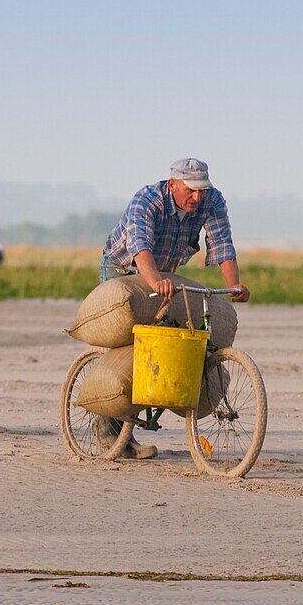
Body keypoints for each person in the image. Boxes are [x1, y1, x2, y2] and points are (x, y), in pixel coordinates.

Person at [98, 158, 250, 458]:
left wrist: (235, 285)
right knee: (128, 344)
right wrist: (153, 281)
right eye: (190, 191)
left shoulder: (212, 201)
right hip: (124, 267)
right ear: (173, 185)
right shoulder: (147, 201)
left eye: (201, 191)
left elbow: (222, 244)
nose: (197, 197)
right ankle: (109, 431)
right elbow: (139, 246)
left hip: (165, 272)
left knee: (173, 334)